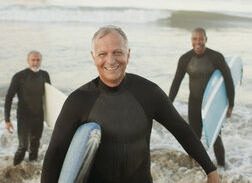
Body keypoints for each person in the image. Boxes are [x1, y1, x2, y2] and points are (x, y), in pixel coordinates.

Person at [41, 25, 221, 183]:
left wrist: (211, 170)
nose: (110, 60)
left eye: (117, 52)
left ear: (128, 53)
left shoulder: (148, 93)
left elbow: (181, 130)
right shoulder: (79, 100)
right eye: (103, 54)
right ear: (93, 57)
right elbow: (55, 154)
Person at [168, 27, 235, 167]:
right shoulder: (185, 59)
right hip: (194, 103)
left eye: (201, 39)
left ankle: (222, 169)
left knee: (216, 137)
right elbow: (176, 82)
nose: (198, 42)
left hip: (212, 104)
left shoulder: (216, 57)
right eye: (194, 39)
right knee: (194, 137)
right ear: (191, 40)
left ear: (206, 40)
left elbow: (228, 80)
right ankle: (194, 168)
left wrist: (231, 104)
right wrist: (168, 104)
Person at [5, 50, 51, 165]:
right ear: (28, 61)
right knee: (23, 146)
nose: (35, 62)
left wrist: (53, 118)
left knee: (35, 145)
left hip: (38, 116)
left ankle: (31, 169)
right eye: (33, 60)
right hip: (24, 117)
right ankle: (13, 168)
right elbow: (9, 97)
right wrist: (7, 120)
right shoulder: (19, 76)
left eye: (38, 60)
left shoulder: (45, 75)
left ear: (41, 61)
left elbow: (50, 98)